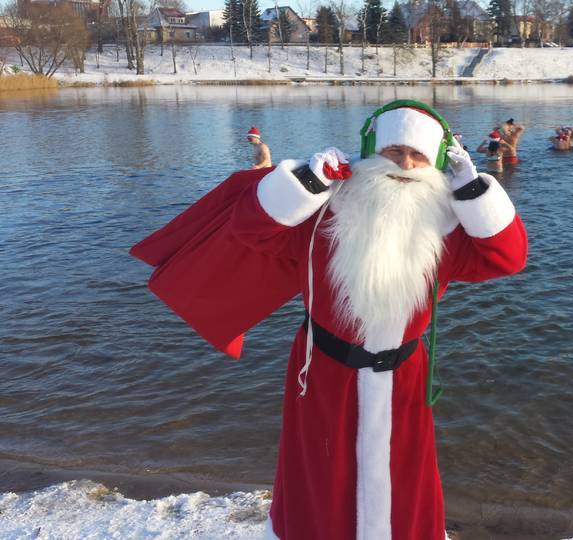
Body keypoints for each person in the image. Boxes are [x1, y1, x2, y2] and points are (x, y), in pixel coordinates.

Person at [131, 100, 528, 540]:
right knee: (321, 476)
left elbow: (507, 258)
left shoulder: (445, 227)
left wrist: (473, 192)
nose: (406, 165)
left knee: (404, 480)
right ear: (372, 151)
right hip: (321, 371)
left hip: (405, 377)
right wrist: (305, 181)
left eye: (418, 156)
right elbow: (251, 228)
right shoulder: (323, 212)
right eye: (395, 152)